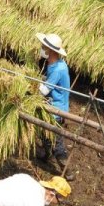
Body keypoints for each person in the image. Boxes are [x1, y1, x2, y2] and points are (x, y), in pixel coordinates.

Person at [36, 32, 71, 173]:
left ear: (50, 50)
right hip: (52, 103)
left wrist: (31, 84)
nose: (41, 48)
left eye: (43, 46)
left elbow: (43, 91)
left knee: (57, 141)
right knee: (44, 132)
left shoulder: (58, 69)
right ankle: (46, 155)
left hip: (56, 108)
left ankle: (67, 171)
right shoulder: (54, 64)